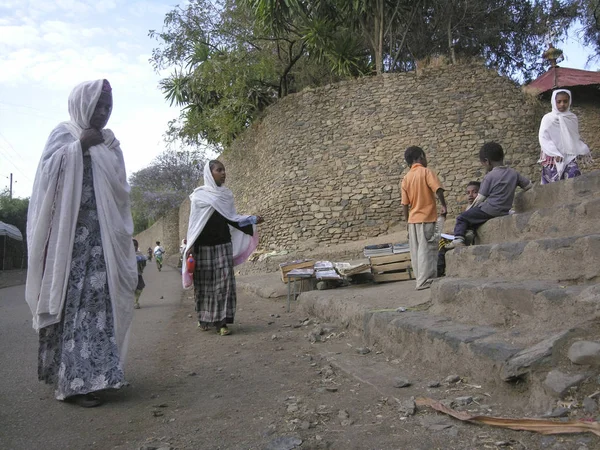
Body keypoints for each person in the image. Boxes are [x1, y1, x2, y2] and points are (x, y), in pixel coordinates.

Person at [25, 79, 138, 407]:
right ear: (82, 104)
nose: (103, 112)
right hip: (70, 246)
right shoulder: (65, 136)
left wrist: (95, 146)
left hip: (102, 243)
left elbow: (120, 191)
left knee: (99, 309)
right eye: (98, 106)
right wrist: (79, 148)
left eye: (108, 106)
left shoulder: (111, 143)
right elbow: (45, 181)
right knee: (75, 307)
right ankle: (74, 383)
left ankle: (97, 376)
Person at [183, 160, 263, 335]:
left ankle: (222, 322)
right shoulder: (199, 196)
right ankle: (204, 318)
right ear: (209, 174)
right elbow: (194, 223)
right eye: (219, 170)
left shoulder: (226, 195)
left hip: (223, 244)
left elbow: (231, 218)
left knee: (224, 284)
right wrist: (190, 245)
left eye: (224, 170)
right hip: (202, 247)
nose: (223, 173)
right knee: (204, 285)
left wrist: (251, 220)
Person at [446, 142, 533, 249]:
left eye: (483, 163)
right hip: (504, 210)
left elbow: (480, 199)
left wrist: (468, 212)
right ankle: (470, 232)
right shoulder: (513, 173)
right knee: (475, 219)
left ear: (487, 161)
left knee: (463, 218)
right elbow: (528, 186)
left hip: (489, 210)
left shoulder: (489, 176)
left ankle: (458, 239)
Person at [401, 146, 447, 290]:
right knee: (428, 250)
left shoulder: (406, 178)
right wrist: (444, 205)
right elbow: (438, 189)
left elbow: (404, 204)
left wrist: (408, 222)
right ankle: (425, 281)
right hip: (427, 218)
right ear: (421, 156)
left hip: (413, 220)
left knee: (416, 252)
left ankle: (419, 279)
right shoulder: (426, 172)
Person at [538, 89, 591, 185]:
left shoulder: (572, 118)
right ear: (554, 102)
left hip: (569, 156)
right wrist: (555, 153)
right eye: (559, 102)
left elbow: (574, 137)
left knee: (574, 179)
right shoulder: (547, 119)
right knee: (553, 187)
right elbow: (543, 138)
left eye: (565, 101)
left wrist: (581, 148)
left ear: (569, 101)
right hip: (552, 159)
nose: (562, 104)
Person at [437, 181, 480, 276]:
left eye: (474, 192)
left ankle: (439, 270)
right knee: (440, 240)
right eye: (468, 193)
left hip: (468, 235)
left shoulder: (479, 207)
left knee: (441, 242)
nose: (470, 195)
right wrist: (454, 232)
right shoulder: (469, 207)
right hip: (462, 234)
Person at [133, 239, 146, 309]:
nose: (134, 247)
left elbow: (144, 263)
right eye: (133, 245)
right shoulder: (125, 255)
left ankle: (135, 301)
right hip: (128, 276)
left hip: (138, 274)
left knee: (140, 287)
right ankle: (134, 302)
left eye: (135, 245)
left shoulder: (140, 254)